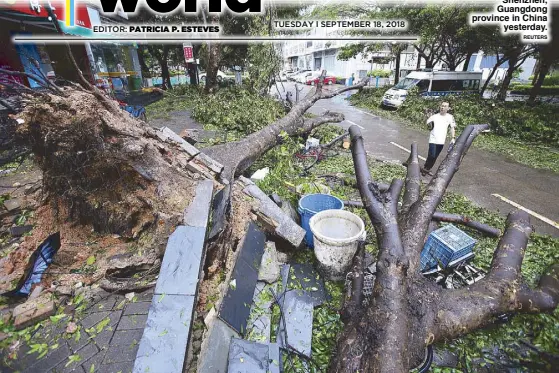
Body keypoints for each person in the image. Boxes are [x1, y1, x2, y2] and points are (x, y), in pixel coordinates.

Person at [422, 101, 456, 175]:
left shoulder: (450, 117)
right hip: (433, 138)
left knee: (435, 157)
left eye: (444, 106)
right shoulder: (435, 116)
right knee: (432, 154)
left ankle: (428, 168)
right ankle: (425, 167)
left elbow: (452, 128)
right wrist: (426, 115)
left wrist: (453, 137)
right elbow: (426, 123)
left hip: (441, 140)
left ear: (448, 108)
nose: (442, 107)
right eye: (441, 106)